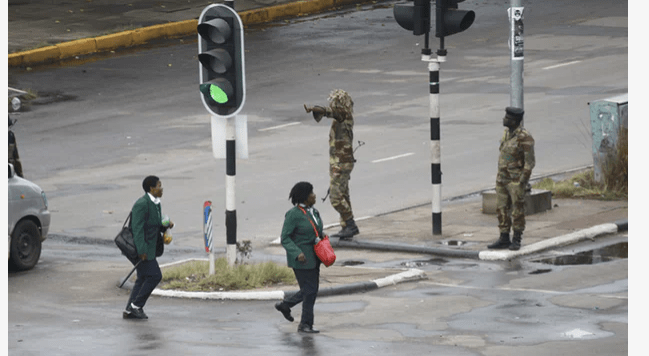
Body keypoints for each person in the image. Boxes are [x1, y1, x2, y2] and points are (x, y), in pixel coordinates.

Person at [304, 89, 358, 240]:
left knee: (335, 197)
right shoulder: (345, 117)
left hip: (340, 163)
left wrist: (315, 109)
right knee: (343, 194)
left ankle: (350, 223)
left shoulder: (343, 115)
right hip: (342, 161)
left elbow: (330, 112)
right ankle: (346, 227)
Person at [123, 175, 173, 320]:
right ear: (151, 188)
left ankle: (129, 309)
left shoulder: (156, 202)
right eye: (159, 185)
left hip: (150, 248)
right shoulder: (142, 204)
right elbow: (137, 229)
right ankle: (136, 306)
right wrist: (142, 251)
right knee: (155, 276)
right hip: (142, 249)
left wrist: (166, 225)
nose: (161, 188)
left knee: (143, 277)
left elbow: (154, 224)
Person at [275, 181, 323, 333]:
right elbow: (285, 237)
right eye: (311, 193)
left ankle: (286, 306)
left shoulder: (313, 212)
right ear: (304, 197)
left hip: (315, 257)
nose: (314, 195)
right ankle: (305, 324)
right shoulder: (293, 215)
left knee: (311, 290)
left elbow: (316, 230)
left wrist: (322, 237)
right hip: (302, 259)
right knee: (310, 291)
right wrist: (296, 253)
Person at [488, 107, 535, 251]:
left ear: (514, 121)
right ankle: (503, 237)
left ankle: (517, 238)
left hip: (515, 180)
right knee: (501, 208)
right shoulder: (506, 134)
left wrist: (522, 181)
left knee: (517, 210)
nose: (504, 119)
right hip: (502, 178)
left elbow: (529, 162)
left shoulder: (524, 137)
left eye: (507, 118)